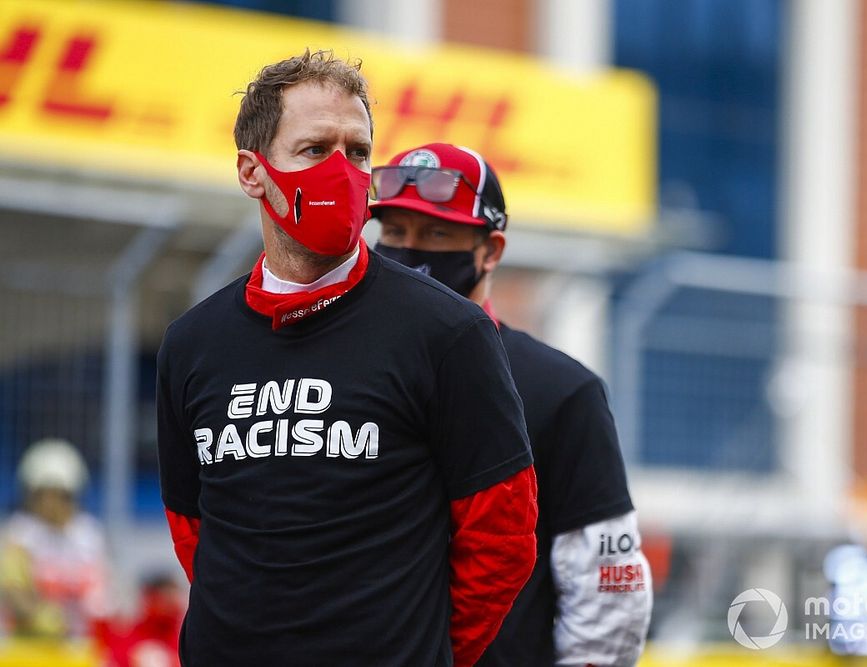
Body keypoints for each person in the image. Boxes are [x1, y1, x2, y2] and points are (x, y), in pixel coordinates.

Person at [156, 51, 538, 667]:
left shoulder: (448, 332)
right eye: (314, 150)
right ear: (252, 172)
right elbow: (192, 526)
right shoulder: (191, 342)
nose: (342, 171)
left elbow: (503, 539)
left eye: (357, 152)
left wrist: (425, 654)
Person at [371, 143, 653, 666]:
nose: (408, 253)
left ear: (490, 250)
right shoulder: (346, 368)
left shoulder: (561, 390)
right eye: (394, 234)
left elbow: (607, 588)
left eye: (436, 234)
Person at [0, 438, 111, 639]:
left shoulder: (89, 535)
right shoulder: (20, 534)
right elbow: (13, 591)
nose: (50, 503)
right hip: (28, 641)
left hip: (80, 642)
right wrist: (41, 617)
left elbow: (100, 595)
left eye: (58, 495)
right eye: (42, 495)